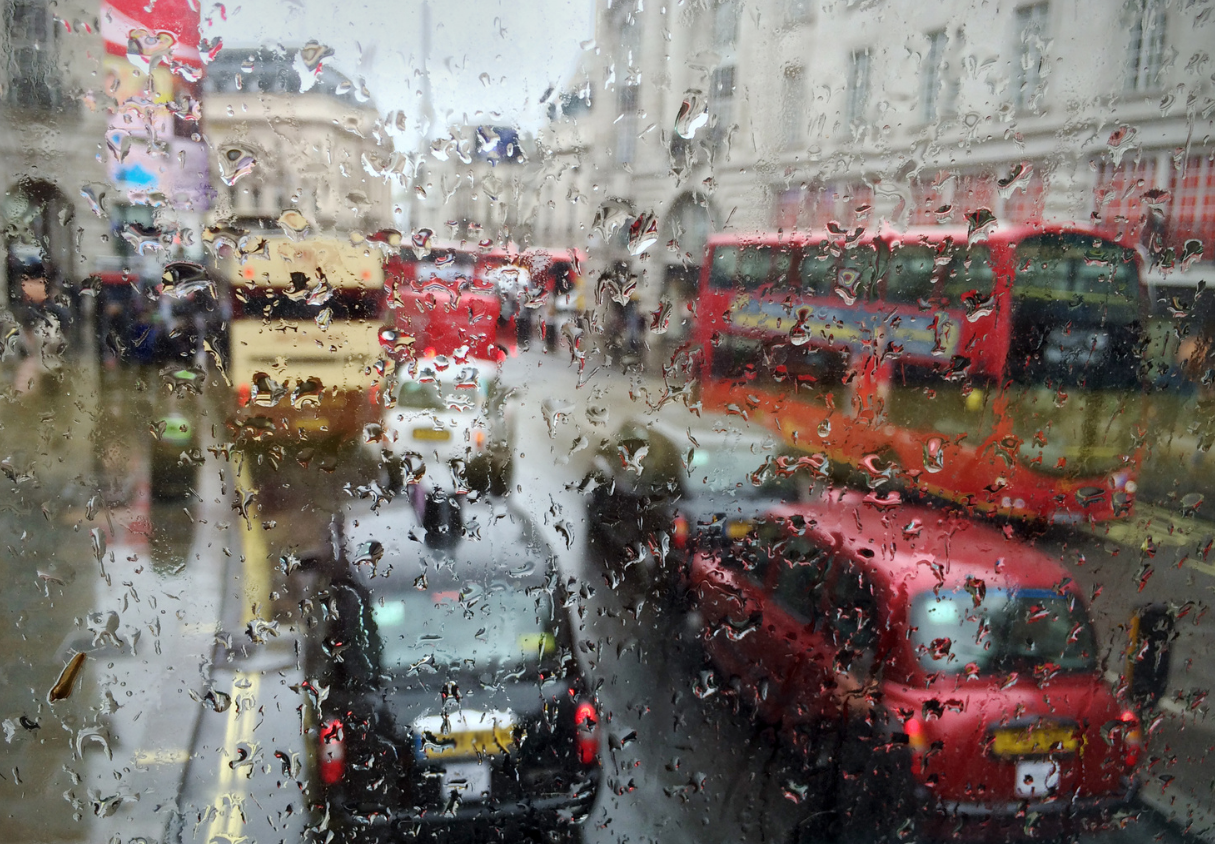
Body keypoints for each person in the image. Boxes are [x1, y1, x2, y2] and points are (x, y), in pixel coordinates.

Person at [11, 262, 70, 394]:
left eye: (31, 282)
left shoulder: (56, 311)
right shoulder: (26, 309)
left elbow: (61, 342)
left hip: (48, 368)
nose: (25, 287)